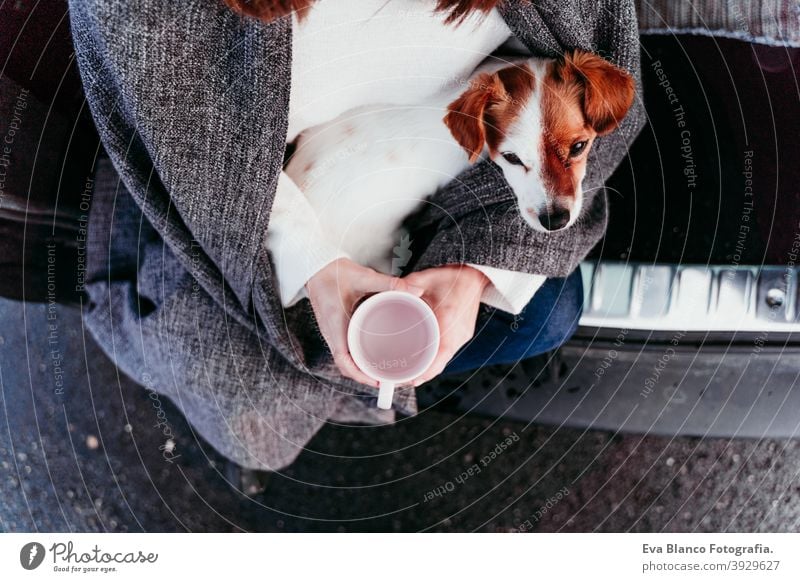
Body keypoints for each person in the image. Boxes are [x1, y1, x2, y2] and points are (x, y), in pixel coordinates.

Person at [68, 0, 644, 474]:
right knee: (255, 427)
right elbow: (191, 154)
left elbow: (603, 95)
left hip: (422, 179)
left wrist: (473, 272)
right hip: (245, 198)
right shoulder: (158, 21)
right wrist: (316, 265)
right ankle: (358, 392)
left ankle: (369, 384)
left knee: (548, 312)